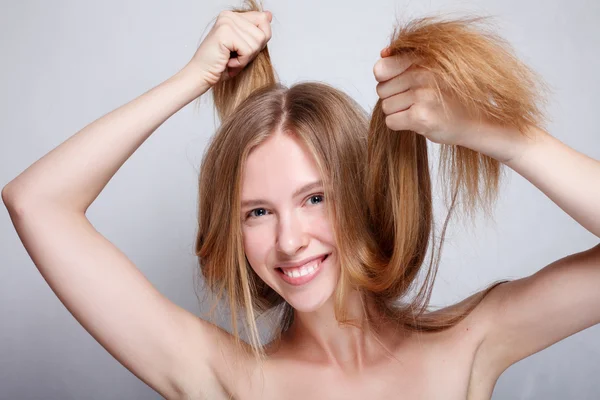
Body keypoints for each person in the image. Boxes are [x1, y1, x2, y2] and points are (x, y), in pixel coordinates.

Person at [3, 2, 600, 399]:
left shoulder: (475, 338)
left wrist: (499, 136)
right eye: (258, 212)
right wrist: (192, 79)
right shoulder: (226, 376)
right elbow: (36, 202)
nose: (289, 240)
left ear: (364, 197)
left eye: (314, 198)